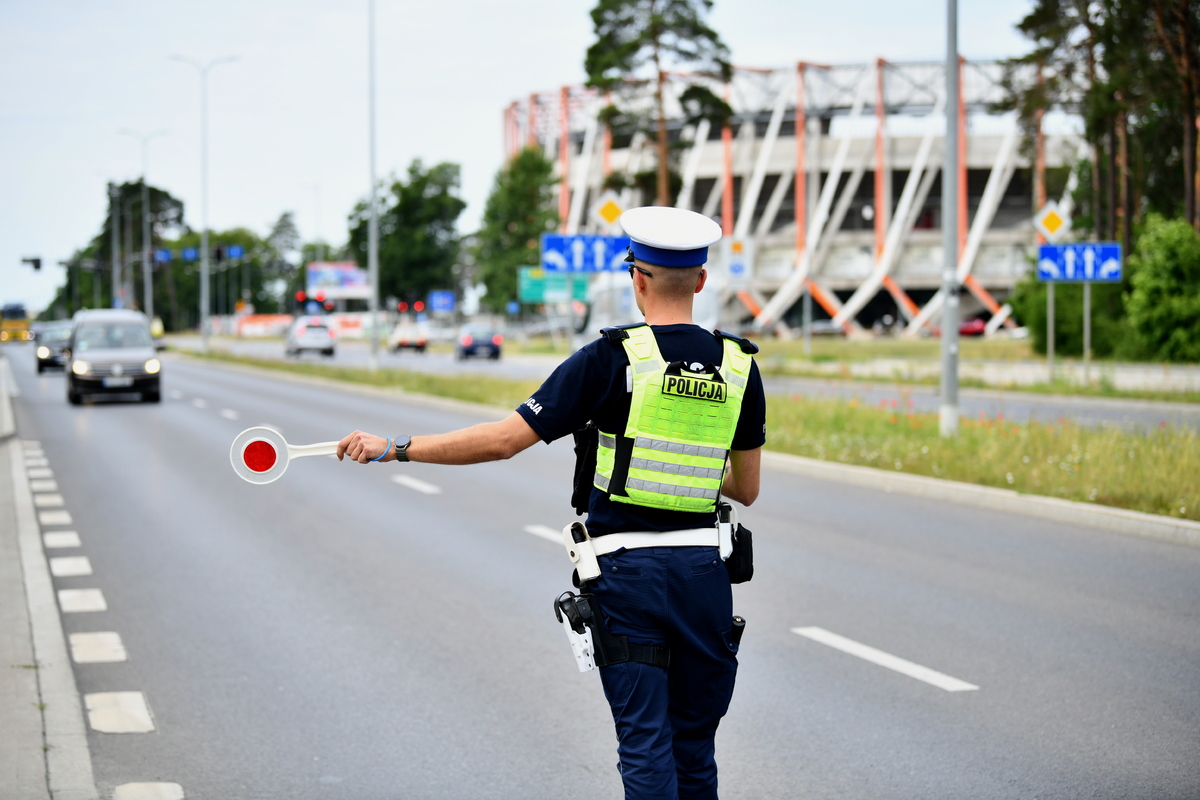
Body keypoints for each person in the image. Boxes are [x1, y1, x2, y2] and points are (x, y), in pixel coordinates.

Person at [337, 206, 766, 800]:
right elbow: (745, 488)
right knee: (694, 746)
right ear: (700, 279)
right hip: (703, 576)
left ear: (636, 278)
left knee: (645, 742)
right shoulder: (741, 367)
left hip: (629, 577)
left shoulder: (611, 359)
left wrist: (397, 448)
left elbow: (503, 441)